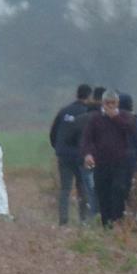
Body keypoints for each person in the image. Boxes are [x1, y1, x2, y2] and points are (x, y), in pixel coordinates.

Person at [81, 90, 135, 228]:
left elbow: (131, 130)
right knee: (102, 192)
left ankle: (117, 220)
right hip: (101, 162)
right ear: (102, 103)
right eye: (107, 103)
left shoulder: (125, 116)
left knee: (118, 189)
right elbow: (87, 139)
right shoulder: (95, 118)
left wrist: (115, 117)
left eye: (113, 103)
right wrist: (88, 154)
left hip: (120, 162)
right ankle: (107, 225)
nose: (110, 105)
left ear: (117, 103)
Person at [49, 84, 92, 225]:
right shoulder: (88, 113)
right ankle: (83, 219)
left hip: (64, 155)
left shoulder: (64, 111)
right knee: (83, 187)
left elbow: (53, 133)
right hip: (81, 156)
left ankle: (63, 219)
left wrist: (58, 148)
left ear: (77, 94)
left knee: (65, 188)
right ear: (89, 96)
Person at [70, 86, 106, 219]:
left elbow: (70, 139)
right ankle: (102, 217)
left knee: (89, 190)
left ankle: (90, 218)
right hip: (104, 159)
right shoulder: (108, 118)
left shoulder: (80, 119)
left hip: (85, 159)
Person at [119, 93, 137, 202]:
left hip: (114, 159)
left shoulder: (112, 119)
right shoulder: (136, 121)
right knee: (129, 188)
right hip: (131, 159)